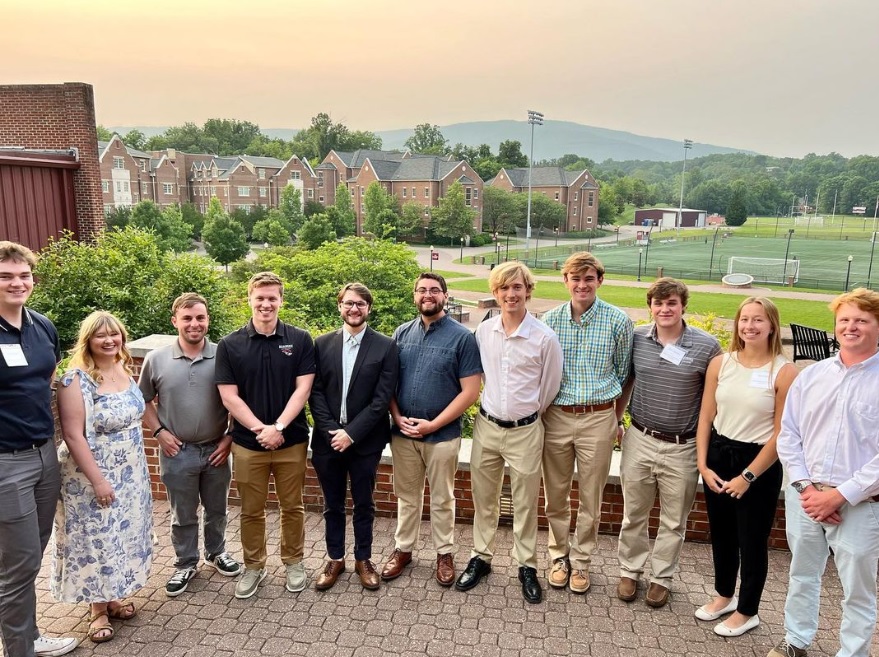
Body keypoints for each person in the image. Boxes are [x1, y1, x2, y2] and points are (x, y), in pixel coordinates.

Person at [768, 288, 879, 657]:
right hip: (806, 497)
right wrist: (806, 488)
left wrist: (839, 494)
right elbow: (789, 435)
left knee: (858, 590)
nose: (851, 327)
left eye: (861, 320)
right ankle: (796, 641)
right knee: (802, 575)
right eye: (845, 320)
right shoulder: (812, 376)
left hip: (861, 505)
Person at [454, 262, 562, 603]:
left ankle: (526, 564)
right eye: (504, 288)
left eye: (517, 287)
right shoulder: (484, 333)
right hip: (487, 426)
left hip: (526, 430)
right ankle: (481, 557)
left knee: (526, 502)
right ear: (496, 293)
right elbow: (480, 378)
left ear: (527, 291)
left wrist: (524, 414)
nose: (510, 294)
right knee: (483, 498)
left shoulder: (544, 337)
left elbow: (549, 388)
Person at [695, 297, 797, 637]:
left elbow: (783, 433)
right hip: (719, 456)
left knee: (751, 540)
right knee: (722, 534)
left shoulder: (784, 372)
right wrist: (703, 464)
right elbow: (707, 416)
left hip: (758, 465)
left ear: (771, 326)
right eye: (744, 319)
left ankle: (748, 610)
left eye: (758, 320)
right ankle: (724, 595)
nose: (750, 326)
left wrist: (748, 476)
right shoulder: (721, 364)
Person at [617, 278, 721, 607]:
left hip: (684, 446)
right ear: (650, 306)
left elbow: (715, 398)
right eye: (659, 303)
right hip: (641, 438)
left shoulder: (707, 346)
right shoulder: (636, 338)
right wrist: (616, 420)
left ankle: (661, 577)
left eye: (672, 303)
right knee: (634, 512)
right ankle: (630, 570)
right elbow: (626, 380)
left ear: (683, 306)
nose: (665, 309)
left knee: (674, 519)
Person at [54, 311, 153, 644]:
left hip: (130, 472)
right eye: (101, 335)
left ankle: (112, 597)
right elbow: (73, 434)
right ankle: (96, 609)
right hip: (91, 474)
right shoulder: (75, 379)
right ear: (88, 340)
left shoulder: (123, 369)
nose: (110, 340)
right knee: (97, 539)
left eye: (115, 334)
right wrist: (98, 480)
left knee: (119, 535)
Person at [215, 271, 315, 599]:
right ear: (250, 299)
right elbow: (229, 396)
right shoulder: (230, 344)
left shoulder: (300, 340)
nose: (266, 304)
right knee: (251, 510)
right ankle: (254, 566)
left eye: (272, 298)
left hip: (292, 440)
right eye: (260, 298)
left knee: (293, 507)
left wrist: (280, 428)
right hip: (248, 444)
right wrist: (262, 430)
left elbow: (303, 390)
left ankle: (294, 561)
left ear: (281, 301)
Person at [0, 241, 78, 657]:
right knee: (20, 562)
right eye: (6, 276)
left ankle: (26, 635)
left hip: (45, 453)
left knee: (35, 548)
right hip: (5, 463)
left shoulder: (41, 325)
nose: (17, 283)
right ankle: (19, 649)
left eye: (23, 275)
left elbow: (50, 380)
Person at [380, 273, 482, 587]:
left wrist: (434, 424)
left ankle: (444, 553)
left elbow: (470, 391)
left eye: (434, 290)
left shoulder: (462, 337)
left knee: (442, 499)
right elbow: (389, 384)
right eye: (422, 290)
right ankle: (404, 550)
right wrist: (396, 417)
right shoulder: (400, 333)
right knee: (407, 497)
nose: (428, 295)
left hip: (442, 435)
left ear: (445, 296)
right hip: (404, 434)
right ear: (414, 296)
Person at [540, 252, 633, 593]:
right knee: (556, 496)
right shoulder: (549, 321)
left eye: (588, 278)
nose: (582, 285)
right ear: (565, 281)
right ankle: (558, 557)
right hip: (557, 418)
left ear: (599, 280)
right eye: (575, 278)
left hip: (598, 418)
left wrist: (615, 416)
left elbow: (625, 375)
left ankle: (581, 562)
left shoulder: (618, 322)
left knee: (591, 499)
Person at [139, 293, 241, 598]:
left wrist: (231, 436)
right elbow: (142, 400)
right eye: (187, 318)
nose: (194, 324)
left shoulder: (224, 355)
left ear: (208, 319)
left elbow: (238, 400)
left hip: (217, 448)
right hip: (176, 450)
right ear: (175, 321)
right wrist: (159, 431)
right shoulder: (155, 359)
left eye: (200, 317)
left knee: (217, 508)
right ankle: (185, 562)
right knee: (182, 513)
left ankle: (216, 552)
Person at [309, 283, 399, 590]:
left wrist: (351, 434)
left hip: (365, 442)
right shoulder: (320, 344)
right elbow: (315, 392)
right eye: (348, 303)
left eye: (360, 304)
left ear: (369, 308)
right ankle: (335, 558)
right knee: (332, 504)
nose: (354, 309)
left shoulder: (385, 346)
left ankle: (364, 559)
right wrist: (331, 430)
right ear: (339, 307)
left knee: (364, 503)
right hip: (327, 440)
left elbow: (381, 399)